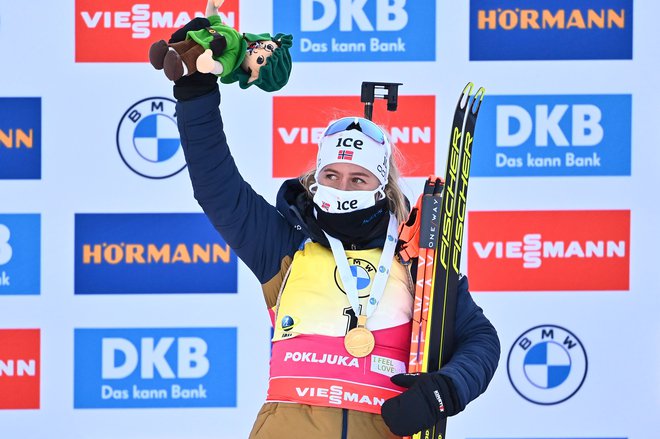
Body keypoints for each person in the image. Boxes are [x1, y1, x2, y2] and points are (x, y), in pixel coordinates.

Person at [168, 26, 500, 439]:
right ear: (314, 179)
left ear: (383, 187)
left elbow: (480, 340)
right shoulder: (285, 247)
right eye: (331, 175)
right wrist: (196, 93)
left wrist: (444, 390)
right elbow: (217, 187)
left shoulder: (416, 260)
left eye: (358, 179)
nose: (342, 187)